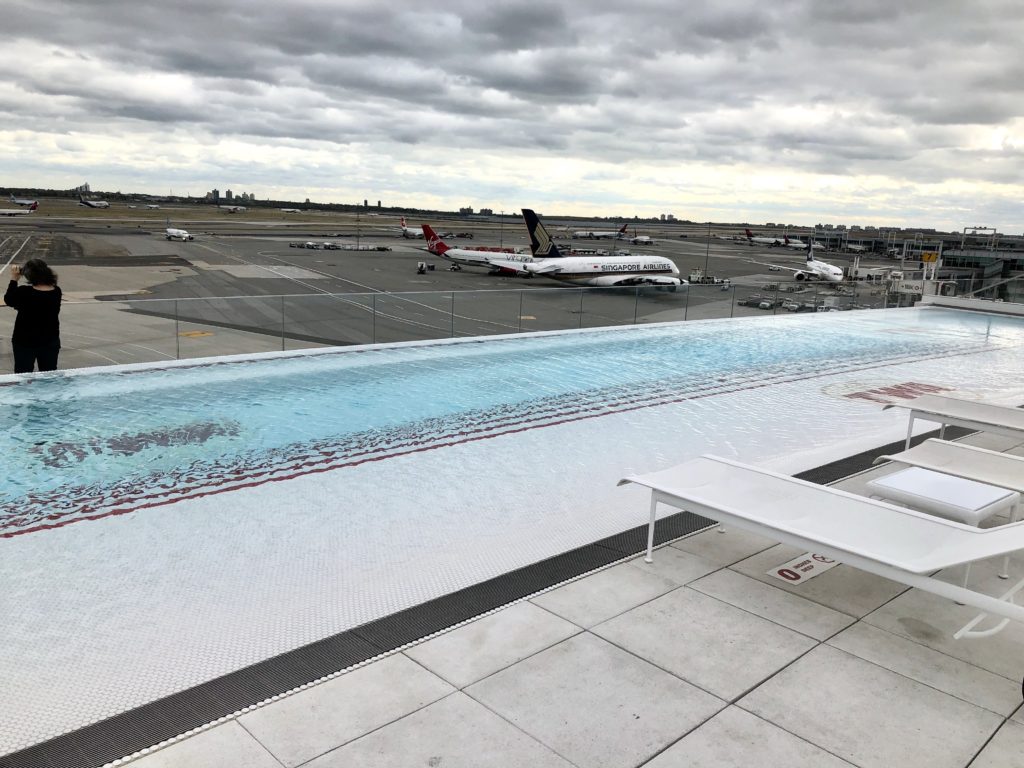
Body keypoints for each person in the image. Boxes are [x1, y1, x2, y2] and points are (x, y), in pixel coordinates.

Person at [4, 258, 62, 373]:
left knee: (23, 374)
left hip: (24, 341)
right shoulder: (56, 291)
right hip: (49, 340)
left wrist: (14, 279)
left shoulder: (24, 292)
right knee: (49, 375)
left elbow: (9, 300)